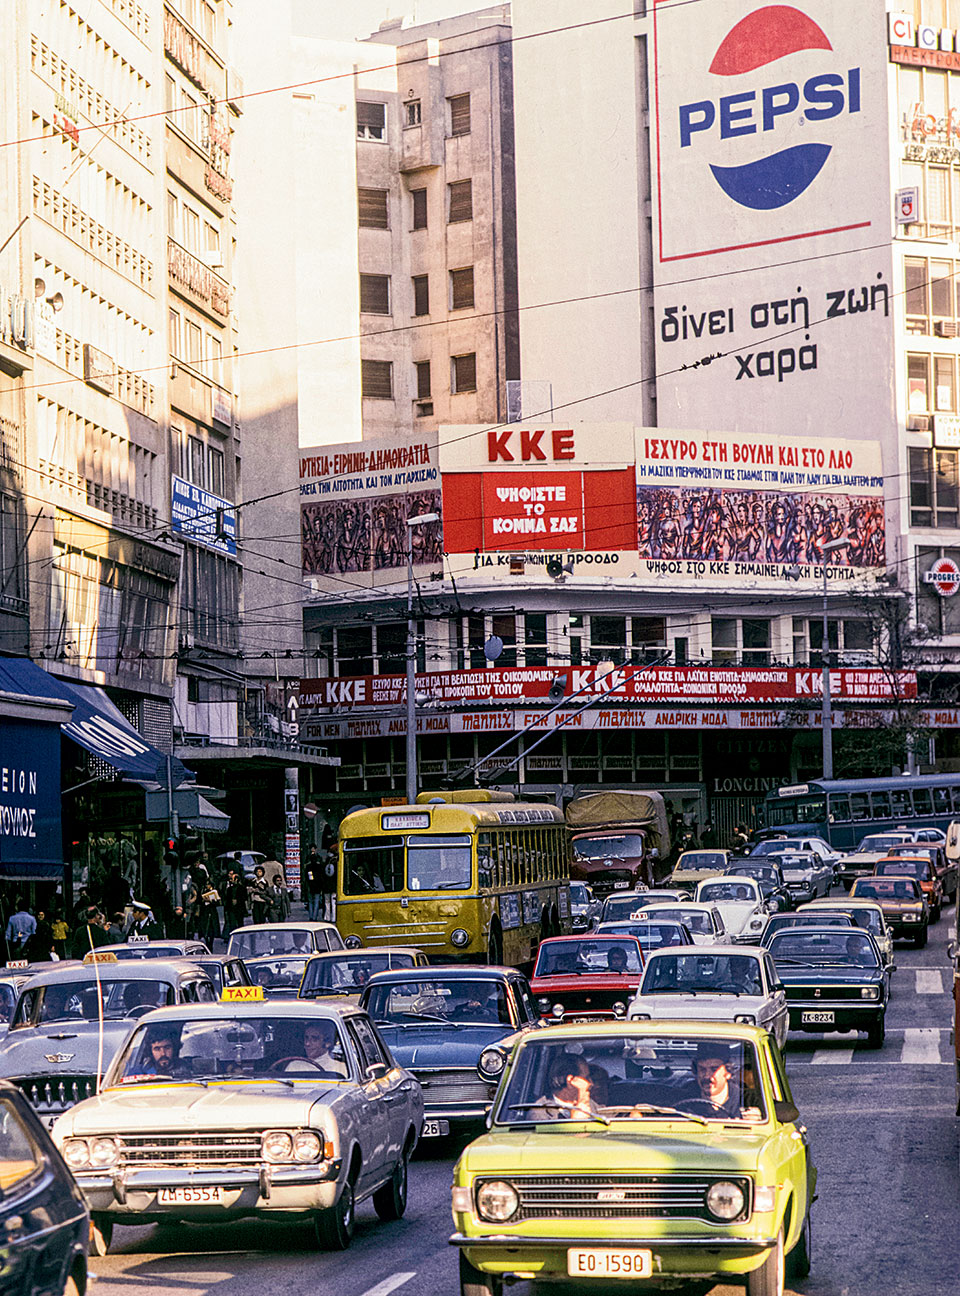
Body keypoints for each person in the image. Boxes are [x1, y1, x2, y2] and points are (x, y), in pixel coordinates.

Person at [680, 1043, 749, 1119]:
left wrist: (755, 1118)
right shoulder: (683, 1098)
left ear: (728, 1073)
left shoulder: (745, 1100)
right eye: (702, 1069)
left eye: (714, 1069)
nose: (707, 1076)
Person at [530, 1055, 601, 1120]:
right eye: (586, 1078)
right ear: (570, 1080)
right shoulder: (540, 1113)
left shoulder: (590, 1104)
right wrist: (575, 1123)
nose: (591, 1083)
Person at [319, 824, 338, 922]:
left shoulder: (325, 862)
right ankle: (334, 918)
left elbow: (323, 875)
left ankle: (327, 917)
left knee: (327, 902)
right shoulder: (336, 862)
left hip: (326, 886)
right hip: (334, 885)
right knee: (333, 902)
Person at [222, 868, 248, 934]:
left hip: (239, 908)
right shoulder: (229, 889)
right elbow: (227, 899)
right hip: (231, 909)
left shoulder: (242, 888)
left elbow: (244, 898)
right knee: (232, 923)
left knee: (240, 923)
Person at [303, 846, 322, 922]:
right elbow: (321, 877)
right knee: (316, 901)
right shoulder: (319, 866)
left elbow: (308, 876)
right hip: (317, 886)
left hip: (310, 886)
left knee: (311, 902)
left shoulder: (308, 867)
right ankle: (315, 917)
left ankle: (311, 916)